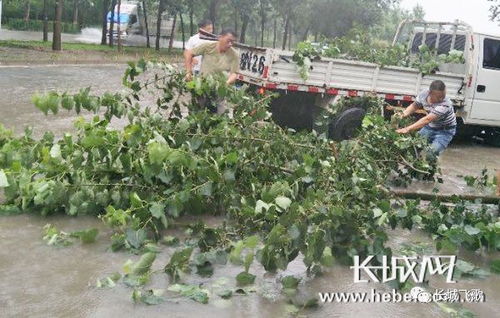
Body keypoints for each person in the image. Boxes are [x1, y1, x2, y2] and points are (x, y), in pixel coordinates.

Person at [184, 29, 239, 114]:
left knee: (219, 115)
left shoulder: (234, 54)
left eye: (233, 42)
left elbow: (234, 73)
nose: (230, 44)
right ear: (220, 38)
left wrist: (226, 83)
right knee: (197, 112)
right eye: (228, 41)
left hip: (219, 89)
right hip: (202, 86)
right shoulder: (208, 46)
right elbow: (189, 53)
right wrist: (188, 72)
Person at [396, 80, 457, 157]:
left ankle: (431, 167)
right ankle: (413, 166)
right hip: (430, 127)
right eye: (439, 97)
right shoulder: (423, 94)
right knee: (413, 147)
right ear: (430, 93)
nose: (441, 98)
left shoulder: (446, 104)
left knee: (431, 152)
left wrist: (407, 129)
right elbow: (414, 106)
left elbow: (427, 119)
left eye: (443, 96)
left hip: (445, 131)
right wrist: (402, 114)